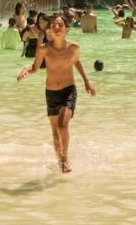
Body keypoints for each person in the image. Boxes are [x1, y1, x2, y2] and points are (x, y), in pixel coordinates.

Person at [17, 15, 95, 173]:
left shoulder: (73, 47)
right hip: (51, 92)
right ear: (49, 31)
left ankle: (65, 160)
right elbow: (35, 67)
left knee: (62, 125)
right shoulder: (44, 48)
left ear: (67, 29)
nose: (57, 27)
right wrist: (26, 71)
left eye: (60, 25)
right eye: (54, 25)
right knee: (54, 130)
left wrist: (87, 82)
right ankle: (60, 161)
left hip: (68, 90)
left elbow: (76, 62)